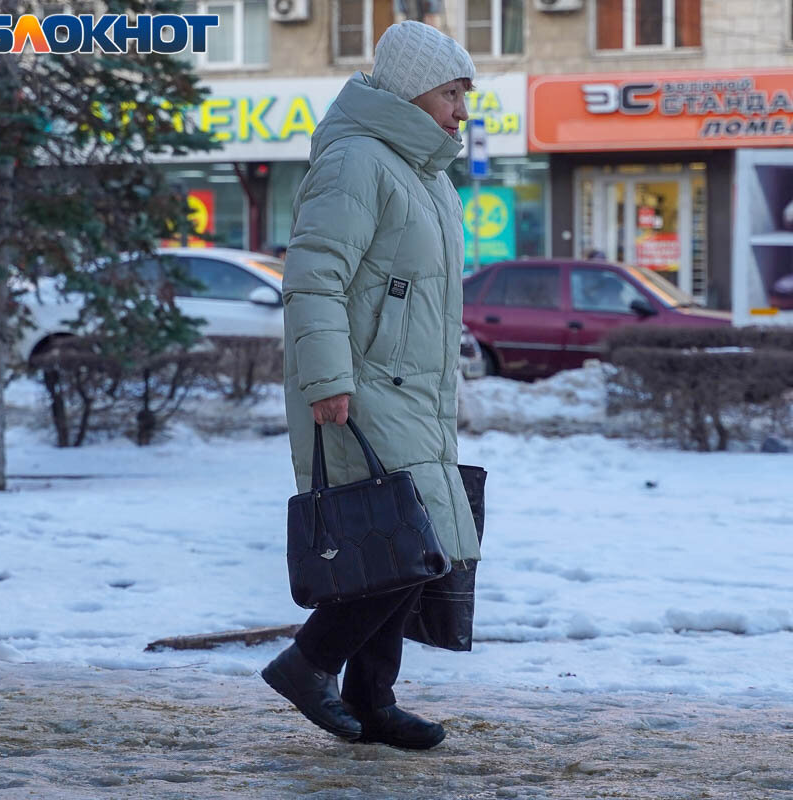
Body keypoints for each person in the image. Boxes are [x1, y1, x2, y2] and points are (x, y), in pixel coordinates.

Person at [261, 20, 480, 751]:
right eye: (451, 92)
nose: (460, 109)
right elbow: (314, 276)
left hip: (413, 386)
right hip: (362, 384)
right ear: (415, 89)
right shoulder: (356, 160)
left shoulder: (427, 175)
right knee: (406, 541)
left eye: (462, 95)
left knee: (422, 545)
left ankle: (372, 697)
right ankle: (308, 663)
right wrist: (326, 377)